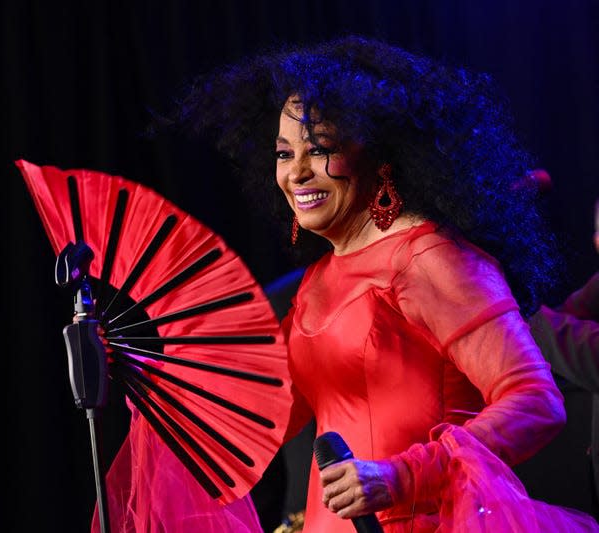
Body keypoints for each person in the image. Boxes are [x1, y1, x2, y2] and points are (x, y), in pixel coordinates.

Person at [167, 36, 599, 532]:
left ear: (378, 156)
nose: (297, 174)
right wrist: (159, 374)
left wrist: (400, 476)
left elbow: (536, 401)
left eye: (321, 149)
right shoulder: (318, 280)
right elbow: (267, 418)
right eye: (285, 154)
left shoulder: (431, 258)